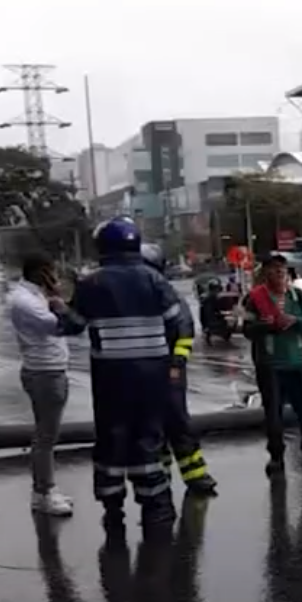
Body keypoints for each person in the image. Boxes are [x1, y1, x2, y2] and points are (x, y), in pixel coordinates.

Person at [62, 217, 192, 535]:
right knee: (149, 438)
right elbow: (180, 324)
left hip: (111, 378)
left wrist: (58, 307)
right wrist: (173, 361)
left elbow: (73, 325)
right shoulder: (155, 280)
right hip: (153, 376)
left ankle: (112, 505)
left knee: (112, 438)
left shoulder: (91, 284)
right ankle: (157, 508)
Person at [140, 243, 219, 496]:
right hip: (144, 371)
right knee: (151, 425)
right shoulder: (135, 298)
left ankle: (195, 476)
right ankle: (159, 477)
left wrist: (176, 364)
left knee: (177, 422)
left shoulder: (167, 295)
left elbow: (184, 331)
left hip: (167, 370)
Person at [8, 254, 81, 517]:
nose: (55, 277)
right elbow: (67, 326)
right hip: (44, 373)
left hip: (49, 370)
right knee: (45, 437)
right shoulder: (26, 302)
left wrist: (59, 299)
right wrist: (60, 302)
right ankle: (43, 493)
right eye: (51, 272)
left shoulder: (33, 295)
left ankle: (44, 491)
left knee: (47, 435)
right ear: (40, 272)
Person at [244, 255, 302, 475]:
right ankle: (276, 457)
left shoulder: (297, 297)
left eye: (283, 270)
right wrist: (266, 326)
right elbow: (247, 329)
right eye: (274, 270)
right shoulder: (255, 299)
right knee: (274, 412)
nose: (279, 274)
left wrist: (296, 321)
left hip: (297, 361)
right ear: (266, 274)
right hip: (270, 364)